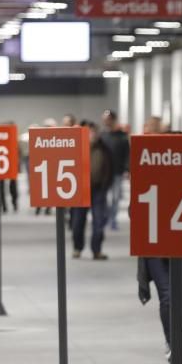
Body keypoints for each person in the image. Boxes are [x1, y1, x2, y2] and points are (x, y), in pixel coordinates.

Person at [71, 121, 114, 260]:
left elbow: (110, 167)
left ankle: (97, 250)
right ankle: (77, 248)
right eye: (89, 132)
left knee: (99, 222)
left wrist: (106, 184)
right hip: (80, 190)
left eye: (94, 132)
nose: (92, 135)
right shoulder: (76, 148)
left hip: (98, 190)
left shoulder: (103, 148)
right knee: (77, 222)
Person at [100, 109, 130, 232]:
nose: (106, 122)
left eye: (108, 120)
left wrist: (127, 168)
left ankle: (113, 219)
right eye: (105, 120)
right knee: (106, 197)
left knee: (116, 197)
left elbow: (128, 153)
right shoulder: (102, 136)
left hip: (117, 171)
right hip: (104, 173)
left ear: (113, 120)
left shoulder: (122, 136)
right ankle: (106, 217)